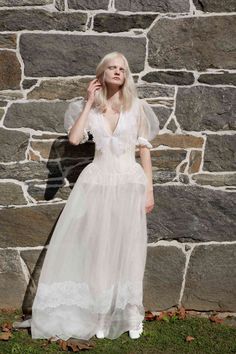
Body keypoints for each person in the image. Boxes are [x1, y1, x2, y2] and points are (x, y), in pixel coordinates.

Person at [13, 51, 160, 341]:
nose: (118, 72)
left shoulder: (138, 107)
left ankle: (132, 314)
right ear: (102, 74)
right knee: (99, 250)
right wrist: (90, 102)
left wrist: (149, 190)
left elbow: (144, 151)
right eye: (112, 68)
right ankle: (102, 314)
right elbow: (75, 139)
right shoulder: (90, 109)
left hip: (130, 184)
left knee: (130, 248)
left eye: (122, 69)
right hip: (98, 184)